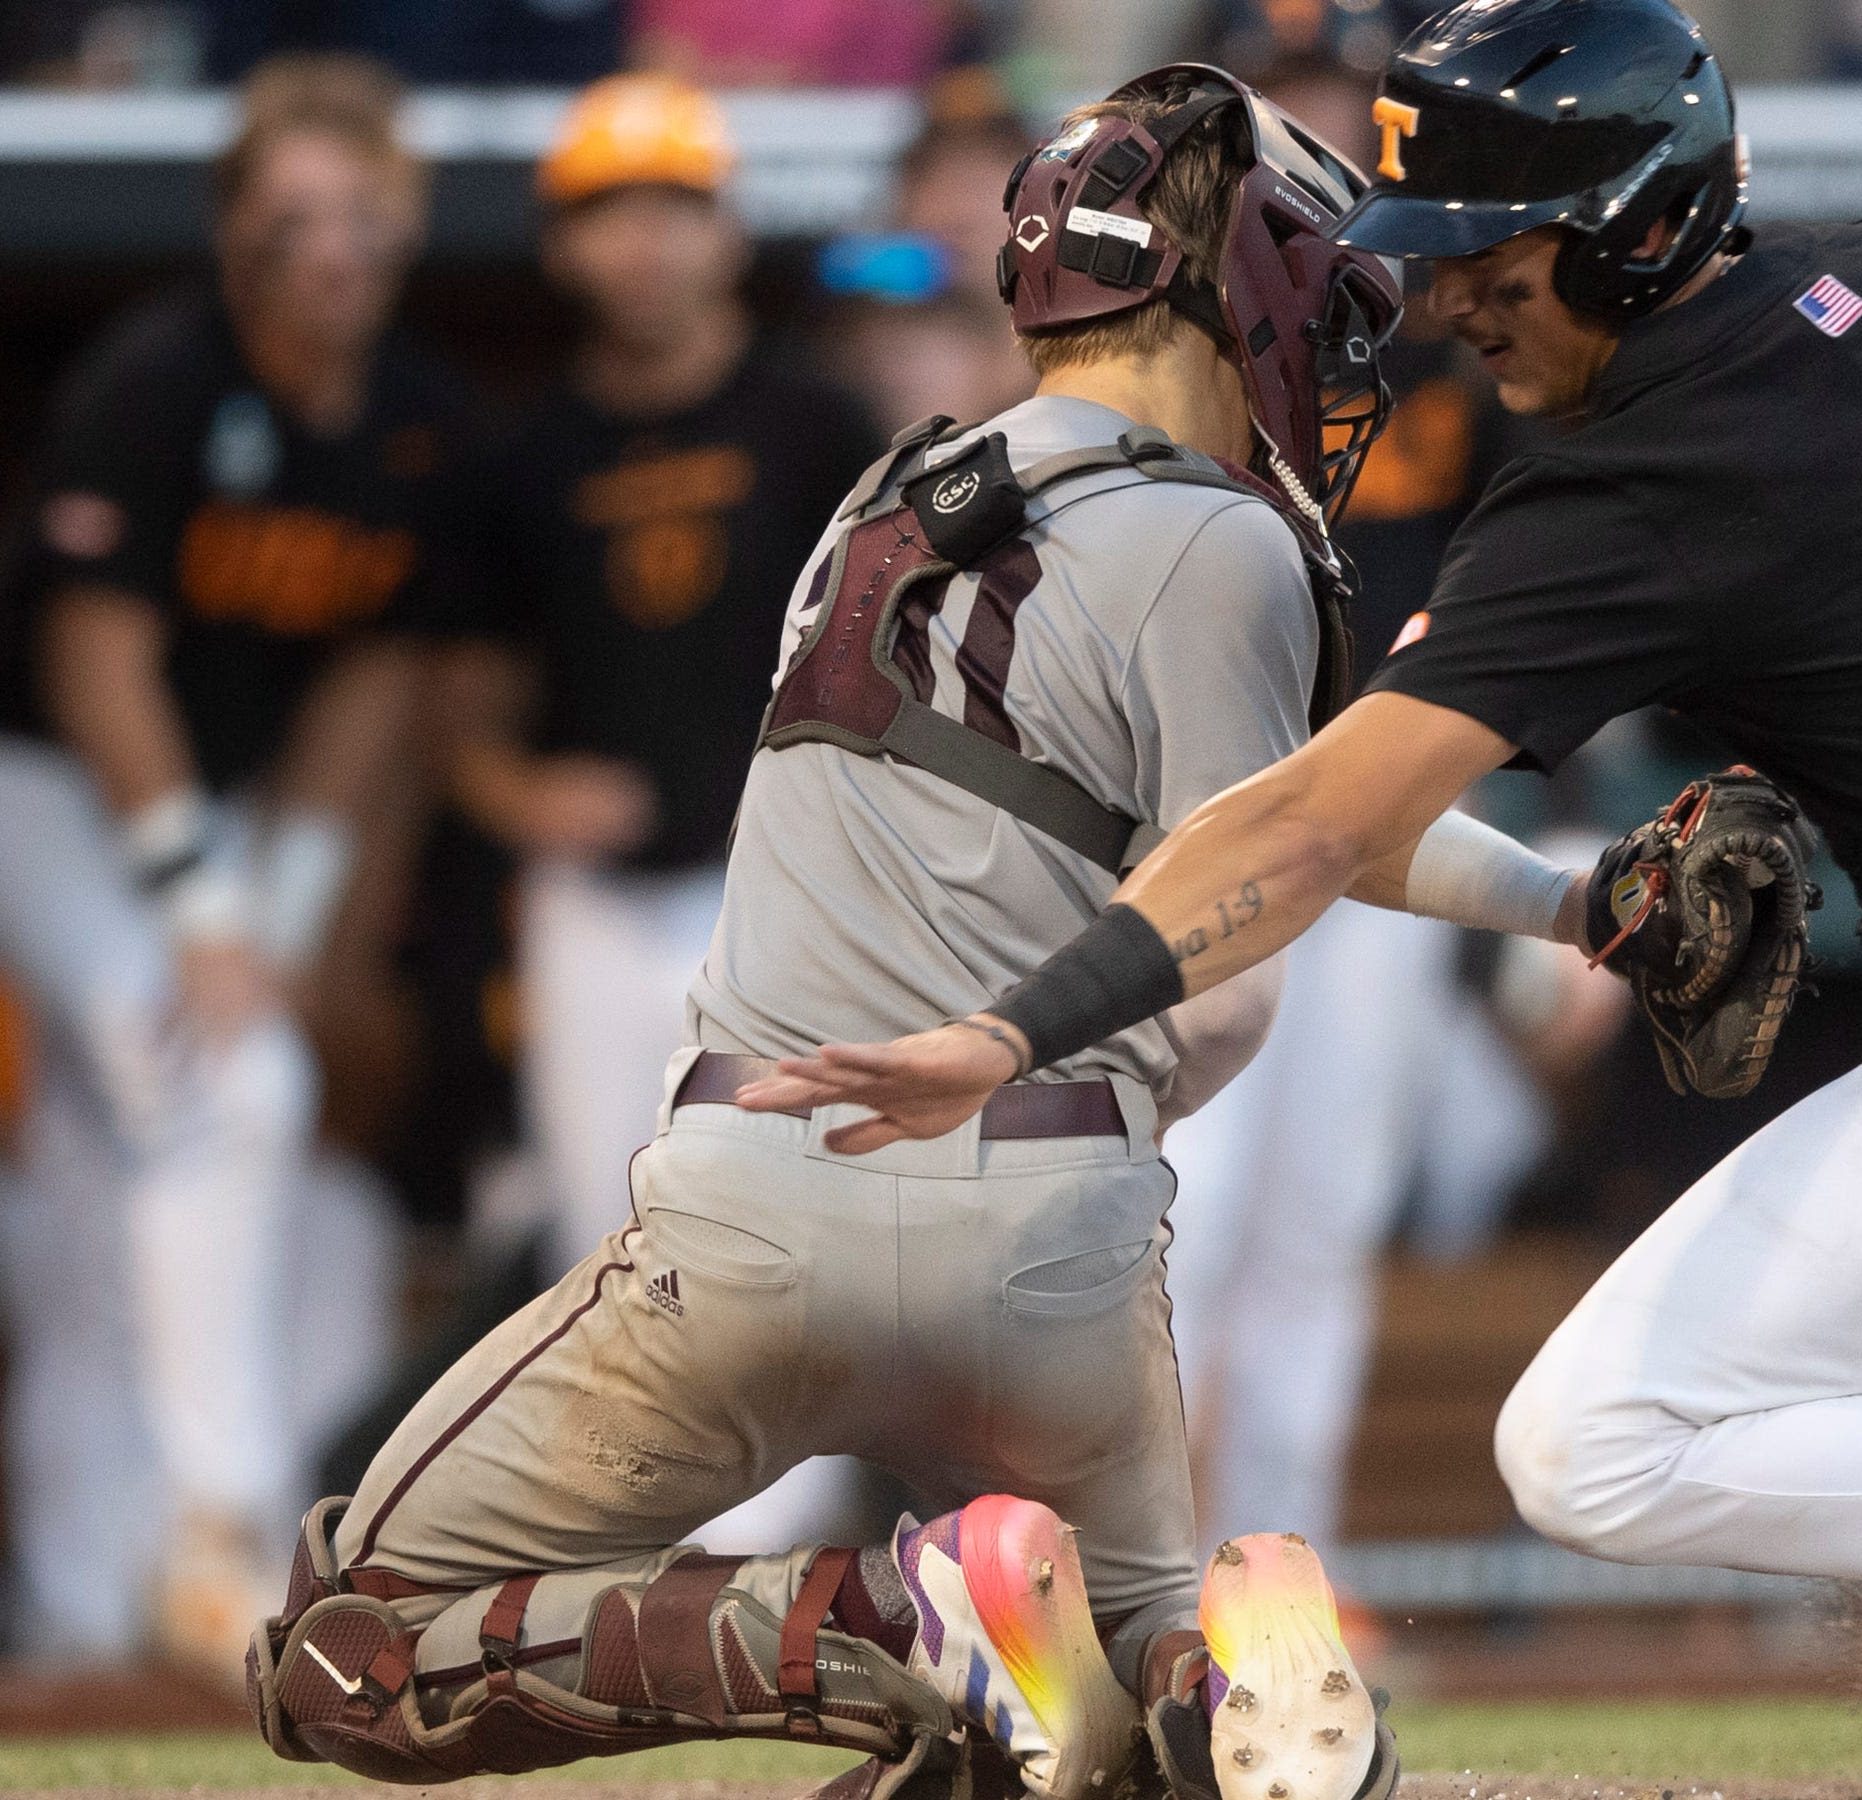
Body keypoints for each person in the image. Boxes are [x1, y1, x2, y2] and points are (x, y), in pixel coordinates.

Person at [754, 0, 1862, 1785]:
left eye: (1489, 259)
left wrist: (1014, 1027)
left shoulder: (1629, 490)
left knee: (1593, 1448)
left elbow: (1307, 832)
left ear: (1630, 225)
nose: (1445, 300)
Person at [253, 66, 1562, 1800]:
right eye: (1310, 281)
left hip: (760, 1199)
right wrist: (1575, 901)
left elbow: (1297, 820)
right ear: (1224, 279)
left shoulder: (880, 488)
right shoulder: (1228, 544)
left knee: (343, 1655)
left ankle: (890, 1614)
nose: (1331, 334)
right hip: (1058, 1240)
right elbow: (1277, 889)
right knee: (1086, 1720)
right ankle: (1192, 1659)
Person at [0, 52, 455, 1670]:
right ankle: (234, 1530)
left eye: (362, 214)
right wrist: (205, 913)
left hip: (205, 807)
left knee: (115, 1194)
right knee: (231, 1087)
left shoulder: (416, 417)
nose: (330, 248)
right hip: (22, 782)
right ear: (233, 230)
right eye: (294, 216)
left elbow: (375, 685)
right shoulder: (158, 377)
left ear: (407, 225)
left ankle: (83, 1616)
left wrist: (283, 915)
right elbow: (97, 666)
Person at [440, 72, 885, 1551]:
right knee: (605, 1225)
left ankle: (778, 1565)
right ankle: (638, 1553)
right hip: (595, 897)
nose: (644, 244)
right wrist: (517, 792)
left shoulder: (817, 418)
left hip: (776, 888)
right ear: (565, 244)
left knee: (789, 1225)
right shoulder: (528, 453)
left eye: (672, 209)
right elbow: (469, 700)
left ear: (724, 227)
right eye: (610, 213)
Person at [1158, 50, 1554, 1566]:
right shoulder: (1166, 335)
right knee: (1179, 1213)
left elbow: (1529, 598)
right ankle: (1134, 1587)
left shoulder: (1451, 340)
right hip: (1212, 824)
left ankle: (1275, 1583)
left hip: (1386, 828)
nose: (1310, 152)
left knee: (1320, 1226)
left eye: (1335, 109)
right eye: (1276, 112)